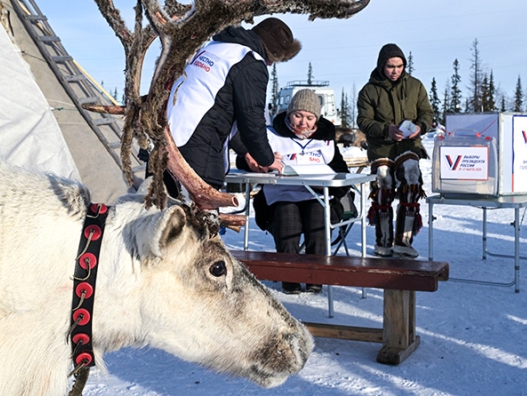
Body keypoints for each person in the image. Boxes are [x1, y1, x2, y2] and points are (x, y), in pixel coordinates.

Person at [165, 18, 301, 195]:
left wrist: (246, 152)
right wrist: (267, 159)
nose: (270, 64)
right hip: (193, 160)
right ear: (271, 52)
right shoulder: (250, 62)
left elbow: (216, 112)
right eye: (274, 59)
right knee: (194, 220)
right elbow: (251, 122)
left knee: (158, 216)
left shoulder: (214, 48)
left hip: (166, 145)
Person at [238, 89, 352, 295]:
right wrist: (258, 164)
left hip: (316, 195)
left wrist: (328, 184)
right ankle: (289, 276)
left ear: (317, 119)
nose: (303, 123)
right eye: (298, 115)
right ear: (289, 114)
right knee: (286, 213)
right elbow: (245, 160)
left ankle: (314, 275)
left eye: (309, 118)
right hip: (279, 196)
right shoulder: (272, 135)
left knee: (318, 214)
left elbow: (343, 175)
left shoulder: (325, 141)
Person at [357, 43, 433, 258]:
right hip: (381, 146)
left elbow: (426, 113)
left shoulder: (415, 86)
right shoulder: (369, 90)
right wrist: (385, 130)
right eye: (391, 66)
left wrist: (421, 127)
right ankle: (383, 242)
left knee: (411, 177)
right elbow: (363, 121)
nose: (395, 70)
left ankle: (404, 241)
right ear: (382, 65)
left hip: (408, 145)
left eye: (399, 66)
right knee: (383, 183)